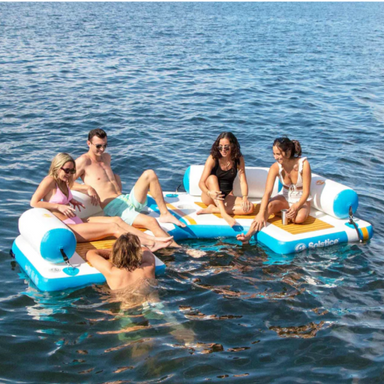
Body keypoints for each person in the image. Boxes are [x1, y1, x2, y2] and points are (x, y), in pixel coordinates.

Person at [30, 153, 173, 252]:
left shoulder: (64, 181)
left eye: (72, 171)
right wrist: (58, 206)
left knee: (116, 220)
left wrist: (71, 200)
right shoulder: (49, 180)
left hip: (77, 220)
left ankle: (151, 239)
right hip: (70, 228)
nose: (69, 174)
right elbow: (34, 202)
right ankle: (149, 243)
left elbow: (59, 196)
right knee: (113, 229)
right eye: (66, 170)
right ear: (57, 167)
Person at [73, 129, 185, 248]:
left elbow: (107, 179)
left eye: (105, 145)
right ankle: (179, 249)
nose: (102, 149)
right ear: (88, 143)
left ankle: (165, 213)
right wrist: (86, 187)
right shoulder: (82, 161)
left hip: (125, 199)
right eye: (98, 146)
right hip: (114, 208)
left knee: (149, 174)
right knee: (151, 221)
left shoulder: (106, 157)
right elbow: (65, 182)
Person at [237, 137, 312, 244]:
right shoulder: (275, 167)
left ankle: (284, 213)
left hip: (302, 199)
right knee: (267, 208)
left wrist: (297, 206)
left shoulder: (304, 164)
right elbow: (267, 192)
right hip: (285, 196)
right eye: (274, 154)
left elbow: (306, 192)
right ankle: (248, 236)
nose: (275, 157)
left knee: (299, 219)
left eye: (278, 154)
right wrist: (261, 213)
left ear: (288, 152)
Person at [196, 132, 253, 227]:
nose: (223, 150)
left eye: (226, 147)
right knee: (212, 178)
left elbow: (242, 180)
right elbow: (201, 183)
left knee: (249, 207)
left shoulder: (238, 159)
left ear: (233, 146)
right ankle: (224, 214)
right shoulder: (213, 158)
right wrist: (210, 193)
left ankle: (213, 209)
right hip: (210, 196)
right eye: (220, 147)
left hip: (225, 196)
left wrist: (245, 198)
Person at [85, 233, 155, 291]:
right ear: (137, 252)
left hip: (125, 305)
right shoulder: (148, 267)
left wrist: (117, 251)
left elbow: (90, 253)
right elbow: (145, 249)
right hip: (151, 303)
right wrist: (129, 249)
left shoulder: (111, 271)